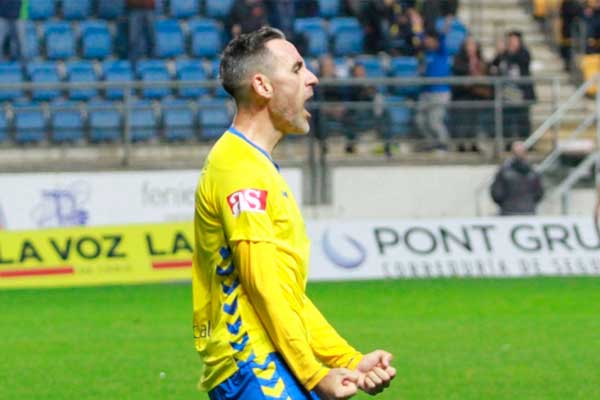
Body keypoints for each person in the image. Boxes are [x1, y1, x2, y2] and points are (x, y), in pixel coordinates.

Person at [192, 27, 396, 400]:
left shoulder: (256, 165)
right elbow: (262, 286)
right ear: (263, 86)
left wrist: (347, 359)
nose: (312, 78)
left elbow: (287, 296)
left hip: (270, 360)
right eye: (298, 68)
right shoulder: (239, 169)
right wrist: (315, 373)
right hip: (253, 363)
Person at [490, 31, 536, 142]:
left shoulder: (524, 53)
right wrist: (499, 53)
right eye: (510, 41)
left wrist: (508, 53)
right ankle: (508, 142)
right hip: (508, 92)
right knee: (508, 119)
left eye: (514, 40)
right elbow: (494, 64)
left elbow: (522, 61)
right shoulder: (504, 54)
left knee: (523, 119)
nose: (512, 43)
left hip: (522, 93)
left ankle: (526, 142)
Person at [451, 36, 493, 149]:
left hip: (477, 95)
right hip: (462, 95)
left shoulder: (481, 59)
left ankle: (474, 143)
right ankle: (461, 144)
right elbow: (457, 72)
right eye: (468, 45)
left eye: (473, 45)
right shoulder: (459, 59)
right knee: (463, 120)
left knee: (475, 121)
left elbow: (487, 73)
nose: (471, 48)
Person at [415, 30, 451, 151]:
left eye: (430, 39)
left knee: (434, 121)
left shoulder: (442, 52)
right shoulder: (426, 54)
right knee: (419, 120)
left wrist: (420, 32)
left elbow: (442, 37)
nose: (427, 42)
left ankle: (444, 144)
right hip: (426, 92)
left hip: (440, 92)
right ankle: (431, 143)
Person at [490, 141, 544, 216]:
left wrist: (505, 203)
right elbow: (539, 193)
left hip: (508, 211)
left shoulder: (503, 171)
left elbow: (496, 193)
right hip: (528, 211)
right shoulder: (533, 172)